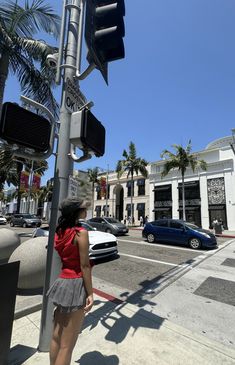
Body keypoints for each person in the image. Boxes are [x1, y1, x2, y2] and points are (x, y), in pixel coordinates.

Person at [47, 197, 93, 365]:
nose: (86, 210)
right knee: (67, 345)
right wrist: (91, 293)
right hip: (75, 284)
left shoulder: (60, 231)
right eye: (83, 208)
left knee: (56, 336)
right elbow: (85, 266)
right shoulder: (81, 233)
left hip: (62, 282)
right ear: (76, 212)